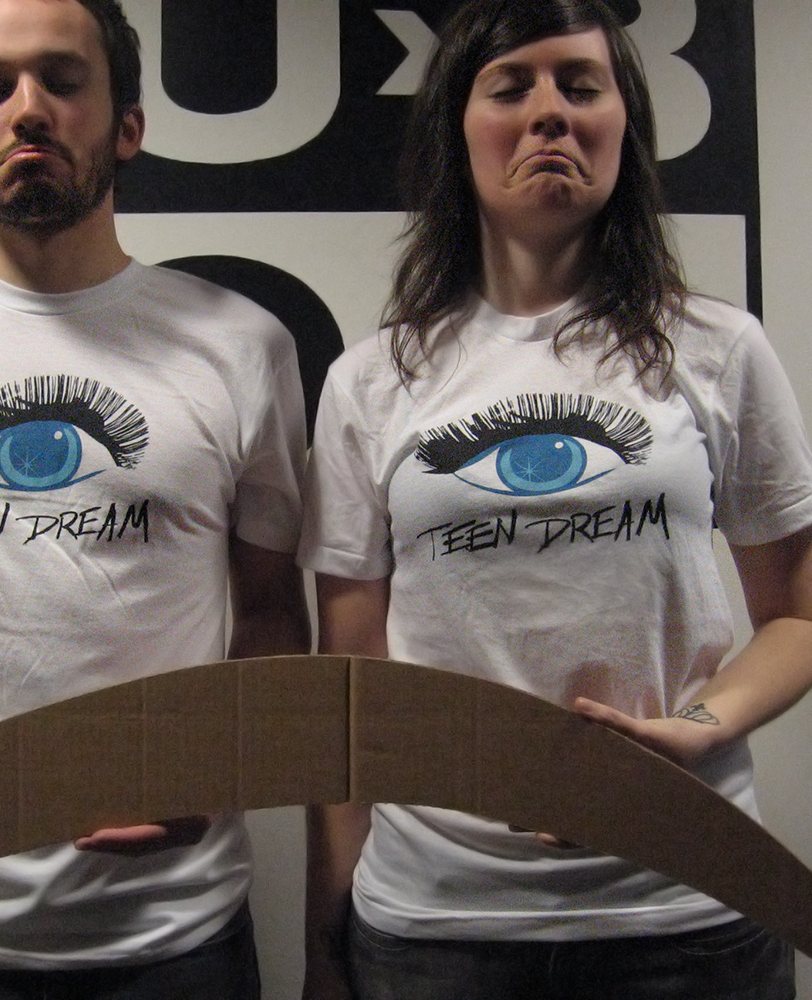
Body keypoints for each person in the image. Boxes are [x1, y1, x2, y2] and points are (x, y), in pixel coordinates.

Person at [298, 1, 812, 998]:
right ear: (458, 129)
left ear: (623, 125)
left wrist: (701, 725)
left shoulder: (719, 348)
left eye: (580, 87)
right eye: (511, 87)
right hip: (439, 925)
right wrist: (325, 935)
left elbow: (797, 614)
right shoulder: (370, 382)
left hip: (686, 907)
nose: (550, 114)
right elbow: (350, 691)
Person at [0, 0, 309, 997]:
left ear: (127, 124)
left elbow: (267, 613)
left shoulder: (242, 347)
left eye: (62, 79)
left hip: (172, 938)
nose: (27, 108)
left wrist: (216, 770)